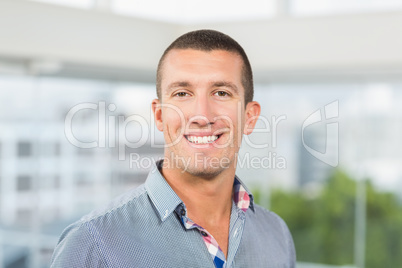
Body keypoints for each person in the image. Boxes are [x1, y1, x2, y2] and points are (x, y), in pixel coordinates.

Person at [51, 29, 296, 268]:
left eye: (221, 93)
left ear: (250, 117)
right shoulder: (92, 244)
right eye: (182, 93)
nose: (202, 115)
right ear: (159, 115)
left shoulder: (276, 235)